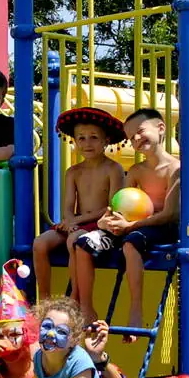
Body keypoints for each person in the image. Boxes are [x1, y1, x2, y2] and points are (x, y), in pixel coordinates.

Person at [77, 109, 180, 336]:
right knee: (83, 243)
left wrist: (129, 226)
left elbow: (171, 214)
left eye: (141, 131)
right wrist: (107, 221)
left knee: (131, 243)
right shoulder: (135, 171)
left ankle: (135, 310)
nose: (137, 139)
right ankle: (85, 307)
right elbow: (119, 203)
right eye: (131, 137)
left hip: (161, 229)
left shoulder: (176, 169)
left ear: (161, 128)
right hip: (135, 227)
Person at [35, 107, 126, 307]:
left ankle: (77, 298)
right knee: (40, 243)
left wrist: (75, 222)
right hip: (77, 222)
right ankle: (44, 300)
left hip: (101, 225)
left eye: (94, 137)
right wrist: (69, 221)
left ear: (106, 140)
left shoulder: (114, 169)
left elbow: (112, 207)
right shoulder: (73, 172)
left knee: (74, 240)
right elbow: (68, 206)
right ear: (75, 141)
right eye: (81, 138)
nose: (87, 143)